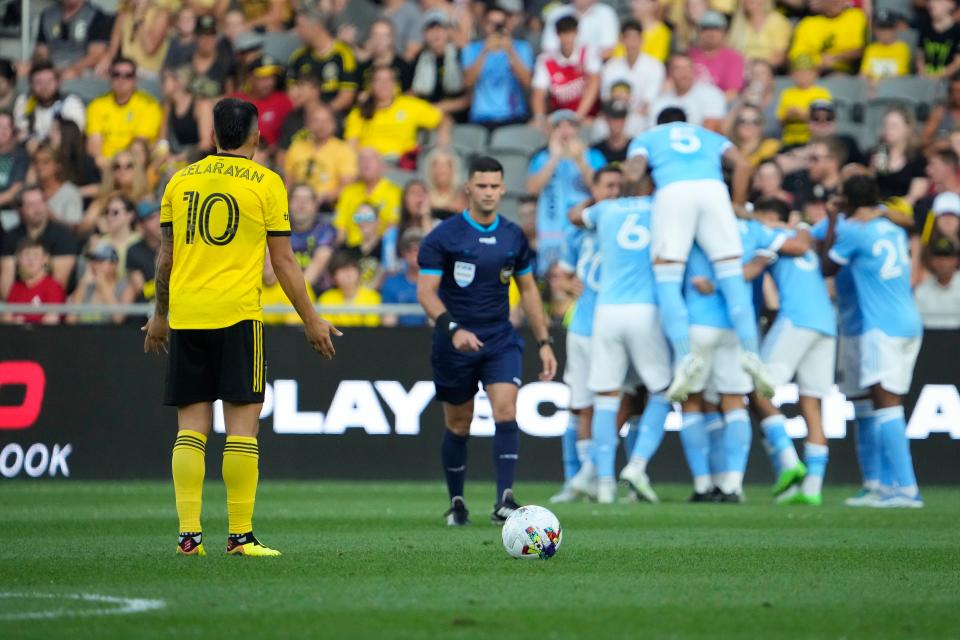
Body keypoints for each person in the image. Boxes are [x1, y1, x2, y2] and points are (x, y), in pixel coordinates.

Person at [143, 97, 340, 557]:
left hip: (187, 314)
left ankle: (189, 537)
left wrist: (159, 315)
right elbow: (284, 260)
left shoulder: (180, 180)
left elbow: (165, 256)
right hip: (237, 316)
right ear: (255, 136)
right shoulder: (267, 183)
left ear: (213, 136)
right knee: (241, 430)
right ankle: (239, 535)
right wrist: (311, 320)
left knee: (190, 430)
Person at [417, 155, 557, 526]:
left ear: (502, 188)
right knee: (458, 424)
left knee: (506, 411)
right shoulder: (444, 236)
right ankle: (457, 501)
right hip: (454, 342)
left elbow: (528, 290)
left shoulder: (513, 235)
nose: (490, 192)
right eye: (482, 186)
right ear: (468, 188)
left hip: (499, 338)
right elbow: (427, 292)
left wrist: (544, 341)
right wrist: (453, 328)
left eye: (496, 186)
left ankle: (505, 500)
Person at [624, 107, 773, 402]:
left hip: (673, 193)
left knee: (667, 276)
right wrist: (737, 204)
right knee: (731, 273)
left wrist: (632, 188)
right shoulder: (709, 136)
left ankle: (685, 356)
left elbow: (634, 171)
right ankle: (752, 353)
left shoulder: (648, 137)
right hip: (714, 192)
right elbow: (743, 166)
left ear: (660, 123)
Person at [566, 166, 671, 504]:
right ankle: (636, 464)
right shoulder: (661, 208)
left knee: (606, 399)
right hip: (644, 308)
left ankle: (605, 484)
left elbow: (575, 217)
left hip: (606, 312)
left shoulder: (606, 210)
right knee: (663, 389)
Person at [824, 174, 924, 508]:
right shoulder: (892, 228)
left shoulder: (854, 230)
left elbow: (828, 264)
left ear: (850, 202)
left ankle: (905, 488)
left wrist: (835, 218)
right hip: (909, 320)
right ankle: (882, 486)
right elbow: (908, 220)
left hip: (882, 327)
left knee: (886, 403)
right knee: (879, 402)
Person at [753, 201, 836, 505]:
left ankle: (789, 461)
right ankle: (811, 490)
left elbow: (760, 265)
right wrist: (798, 224)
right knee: (812, 406)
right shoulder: (805, 234)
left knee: (757, 390)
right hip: (827, 323)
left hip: (797, 318)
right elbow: (807, 237)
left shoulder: (771, 237)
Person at [550, 203, 602, 503]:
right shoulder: (577, 234)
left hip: (617, 324)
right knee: (579, 404)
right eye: (604, 187)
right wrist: (571, 285)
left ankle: (607, 477)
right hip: (583, 328)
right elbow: (564, 278)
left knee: (630, 401)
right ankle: (577, 479)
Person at [527, 110, 607, 277]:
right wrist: (554, 158)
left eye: (570, 125)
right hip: (552, 236)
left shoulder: (593, 156)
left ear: (578, 130)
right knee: (554, 287)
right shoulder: (542, 157)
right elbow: (532, 189)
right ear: (551, 131)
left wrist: (580, 160)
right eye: (558, 126)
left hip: (584, 234)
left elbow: (601, 191)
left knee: (584, 280)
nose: (565, 131)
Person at [343, 65, 450, 162]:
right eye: (378, 80)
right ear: (371, 85)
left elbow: (443, 118)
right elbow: (351, 145)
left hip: (403, 164)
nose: (383, 85)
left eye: (388, 80)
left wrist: (442, 139)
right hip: (370, 164)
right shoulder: (358, 112)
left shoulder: (409, 105)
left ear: (395, 84)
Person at [461, 4, 534, 129]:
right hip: (481, 117)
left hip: (514, 115)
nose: (495, 28)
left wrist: (511, 52)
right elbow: (468, 82)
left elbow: (527, 82)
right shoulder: (471, 49)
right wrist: (484, 52)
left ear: (508, 25)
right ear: (483, 24)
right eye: (490, 23)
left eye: (500, 24)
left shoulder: (522, 47)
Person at [0, 185, 77, 298]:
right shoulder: (10, 237)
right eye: (31, 204)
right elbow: (6, 285)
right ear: (20, 210)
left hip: (53, 303)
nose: (37, 208)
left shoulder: (63, 236)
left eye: (40, 202)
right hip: (18, 301)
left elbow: (60, 284)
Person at [86, 57, 164, 163]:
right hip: (104, 164)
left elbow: (140, 144)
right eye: (116, 74)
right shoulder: (97, 105)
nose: (121, 80)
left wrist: (121, 165)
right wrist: (106, 164)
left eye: (128, 75)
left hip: (134, 164)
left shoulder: (149, 105)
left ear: (135, 80)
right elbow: (94, 145)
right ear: (110, 77)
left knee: (137, 148)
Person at [283, 103, 357, 208]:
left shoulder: (344, 150)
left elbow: (346, 187)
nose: (322, 125)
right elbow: (288, 183)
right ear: (308, 124)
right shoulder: (296, 147)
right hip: (297, 205)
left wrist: (321, 198)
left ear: (334, 124)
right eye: (317, 120)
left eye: (327, 121)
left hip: (328, 207)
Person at [530, 15, 601, 125]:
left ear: (576, 33)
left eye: (570, 33)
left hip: (587, 117)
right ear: (557, 35)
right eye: (563, 34)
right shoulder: (546, 60)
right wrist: (540, 118)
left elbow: (594, 83)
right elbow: (538, 94)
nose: (567, 39)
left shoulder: (588, 53)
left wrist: (577, 117)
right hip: (558, 119)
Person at [289, 6, 358, 115]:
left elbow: (347, 97)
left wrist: (322, 115)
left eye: (300, 26)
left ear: (316, 27)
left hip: (335, 117)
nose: (296, 31)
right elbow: (292, 95)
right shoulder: (298, 57)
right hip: (303, 117)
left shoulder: (343, 54)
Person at [600, 20, 664, 133]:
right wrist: (615, 98)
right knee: (600, 126)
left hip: (642, 117)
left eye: (635, 38)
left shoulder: (655, 66)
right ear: (621, 41)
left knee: (636, 123)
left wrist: (630, 103)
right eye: (627, 38)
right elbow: (605, 99)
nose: (631, 43)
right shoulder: (610, 67)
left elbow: (648, 103)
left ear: (642, 40)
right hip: (615, 116)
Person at [334, 148, 402, 247]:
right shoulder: (348, 192)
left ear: (382, 166)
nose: (366, 163)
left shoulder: (395, 192)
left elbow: (393, 227)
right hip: (352, 249)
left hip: (380, 248)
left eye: (371, 159)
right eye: (362, 159)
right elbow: (340, 227)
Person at [410, 10, 469, 121]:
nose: (435, 34)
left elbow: (469, 97)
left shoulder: (459, 55)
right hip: (425, 112)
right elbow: (413, 92)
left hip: (456, 114)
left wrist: (440, 107)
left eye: (440, 28)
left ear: (448, 32)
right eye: (430, 29)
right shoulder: (419, 59)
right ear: (424, 34)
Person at [13, 61, 86, 147]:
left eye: (49, 81)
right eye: (38, 82)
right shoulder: (24, 101)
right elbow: (21, 135)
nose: (44, 87)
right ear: (31, 85)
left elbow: (72, 137)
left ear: (58, 83)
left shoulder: (71, 102)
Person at [34, 0, 112, 79]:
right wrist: (48, 68)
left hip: (82, 68)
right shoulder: (47, 14)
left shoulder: (97, 15)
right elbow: (41, 51)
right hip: (52, 66)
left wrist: (73, 68)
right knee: (23, 69)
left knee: (68, 75)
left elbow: (96, 55)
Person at [649, 53, 726, 132]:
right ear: (670, 73)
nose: (684, 73)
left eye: (688, 67)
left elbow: (711, 132)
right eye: (678, 68)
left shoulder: (711, 94)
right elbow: (654, 132)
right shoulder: (660, 102)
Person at [788, 0, 867, 75]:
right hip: (811, 72)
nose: (836, 2)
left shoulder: (856, 16)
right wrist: (819, 62)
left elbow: (860, 49)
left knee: (838, 76)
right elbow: (797, 55)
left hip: (846, 71)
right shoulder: (807, 24)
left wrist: (835, 57)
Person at [870, 107, 929, 205]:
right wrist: (872, 169)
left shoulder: (918, 159)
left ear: (908, 128)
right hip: (875, 208)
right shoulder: (879, 152)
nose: (888, 130)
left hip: (901, 212)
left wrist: (887, 210)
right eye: (886, 125)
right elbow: (867, 187)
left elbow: (915, 196)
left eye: (894, 126)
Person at [0, 238, 65, 325]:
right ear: (18, 259)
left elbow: (52, 320)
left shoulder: (53, 286)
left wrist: (24, 324)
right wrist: (15, 322)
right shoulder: (16, 287)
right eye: (26, 255)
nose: (31, 260)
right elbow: (6, 318)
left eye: (36, 255)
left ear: (45, 259)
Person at [233, 57, 292, 149]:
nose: (269, 83)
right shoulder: (235, 101)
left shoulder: (283, 101)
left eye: (272, 77)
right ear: (250, 77)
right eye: (263, 78)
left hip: (272, 158)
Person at [104, 0, 172, 79]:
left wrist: (139, 17)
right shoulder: (125, 12)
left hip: (148, 74)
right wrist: (105, 63)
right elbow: (112, 50)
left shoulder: (161, 13)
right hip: (125, 70)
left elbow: (149, 49)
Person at [287, 184, 336, 291]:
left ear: (315, 204)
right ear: (288, 203)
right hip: (283, 293)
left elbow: (318, 264)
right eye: (296, 199)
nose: (301, 204)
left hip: (318, 294)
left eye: (306, 200)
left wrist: (294, 296)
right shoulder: (278, 229)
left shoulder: (325, 229)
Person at [777, 55, 833, 148]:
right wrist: (788, 115)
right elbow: (780, 122)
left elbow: (825, 120)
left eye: (806, 73)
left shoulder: (821, 93)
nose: (802, 76)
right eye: (798, 73)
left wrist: (802, 115)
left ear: (815, 74)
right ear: (792, 75)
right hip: (789, 140)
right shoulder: (787, 93)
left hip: (813, 140)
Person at [689, 11, 744, 102]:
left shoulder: (734, 58)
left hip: (719, 108)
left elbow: (732, 93)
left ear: (724, 32)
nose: (711, 33)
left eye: (716, 28)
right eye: (706, 28)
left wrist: (709, 106)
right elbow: (671, 84)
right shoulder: (689, 54)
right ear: (699, 31)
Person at [317, 251, 382, 327]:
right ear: (333, 276)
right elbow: (327, 328)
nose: (348, 273)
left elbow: (371, 328)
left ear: (359, 272)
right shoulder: (326, 298)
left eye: (351, 268)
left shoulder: (372, 297)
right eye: (342, 269)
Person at [160, 66, 214, 157]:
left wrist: (180, 157)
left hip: (199, 160)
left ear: (178, 81)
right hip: (175, 160)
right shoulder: (168, 106)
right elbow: (162, 141)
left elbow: (206, 144)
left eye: (164, 79)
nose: (161, 84)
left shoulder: (202, 105)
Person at [67, 244, 126, 325]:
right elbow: (70, 320)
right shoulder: (85, 285)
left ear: (114, 265)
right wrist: (83, 284)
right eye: (92, 260)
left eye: (100, 260)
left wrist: (103, 284)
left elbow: (118, 318)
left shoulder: (122, 286)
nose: (94, 264)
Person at [540, 0, 620, 59]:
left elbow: (608, 50)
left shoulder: (606, 13)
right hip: (560, 69)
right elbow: (548, 49)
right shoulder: (557, 13)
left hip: (596, 69)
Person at [381, 228, 426, 327]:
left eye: (418, 249)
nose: (414, 254)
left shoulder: (436, 284)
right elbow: (389, 321)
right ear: (403, 253)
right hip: (397, 338)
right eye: (408, 250)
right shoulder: (391, 283)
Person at [726, 0, 792, 68]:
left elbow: (779, 56)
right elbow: (729, 50)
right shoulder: (736, 24)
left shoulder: (778, 21)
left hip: (768, 70)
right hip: (740, 69)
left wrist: (756, 66)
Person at [261, 247, 317, 326]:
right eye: (262, 258)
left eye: (269, 257)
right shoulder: (249, 288)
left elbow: (294, 325)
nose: (266, 263)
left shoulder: (298, 284)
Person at [33, 142, 83, 229]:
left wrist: (48, 215)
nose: (39, 166)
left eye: (45, 162)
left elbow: (73, 229)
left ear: (57, 166)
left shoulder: (70, 192)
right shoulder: (30, 191)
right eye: (36, 162)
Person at [914, 235, 960, 329]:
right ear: (931, 260)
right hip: (930, 340)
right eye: (938, 256)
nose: (942, 261)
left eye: (947, 256)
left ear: (956, 260)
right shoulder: (921, 289)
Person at [356, 19, 413, 92]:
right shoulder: (362, 68)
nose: (379, 40)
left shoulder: (405, 68)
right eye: (375, 35)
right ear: (369, 38)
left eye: (384, 36)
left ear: (392, 38)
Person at [124, 201, 162, 307]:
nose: (159, 220)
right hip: (149, 310)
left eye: (161, 214)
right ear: (141, 226)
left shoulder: (176, 244)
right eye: (152, 218)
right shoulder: (134, 251)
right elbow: (142, 290)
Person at [860, 10, 911, 85]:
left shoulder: (902, 48)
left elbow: (900, 76)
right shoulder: (871, 49)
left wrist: (876, 82)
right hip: (871, 91)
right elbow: (862, 76)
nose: (884, 32)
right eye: (881, 28)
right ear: (875, 30)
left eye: (888, 28)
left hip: (894, 89)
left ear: (894, 29)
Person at [917, 0, 960, 78]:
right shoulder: (925, 27)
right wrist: (922, 72)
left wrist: (935, 76)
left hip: (948, 83)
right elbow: (920, 54)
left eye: (938, 1)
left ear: (951, 4)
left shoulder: (957, 31)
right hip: (926, 80)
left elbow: (957, 63)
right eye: (930, 1)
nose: (932, 4)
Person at [422, 147, 466, 216]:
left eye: (446, 164)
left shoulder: (462, 196)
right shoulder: (423, 194)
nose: (441, 169)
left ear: (453, 169)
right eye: (436, 164)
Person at [0, 112, 29, 209]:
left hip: (9, 212)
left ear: (12, 130)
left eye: (6, 127)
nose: (2, 131)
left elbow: (13, 192)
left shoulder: (20, 156)